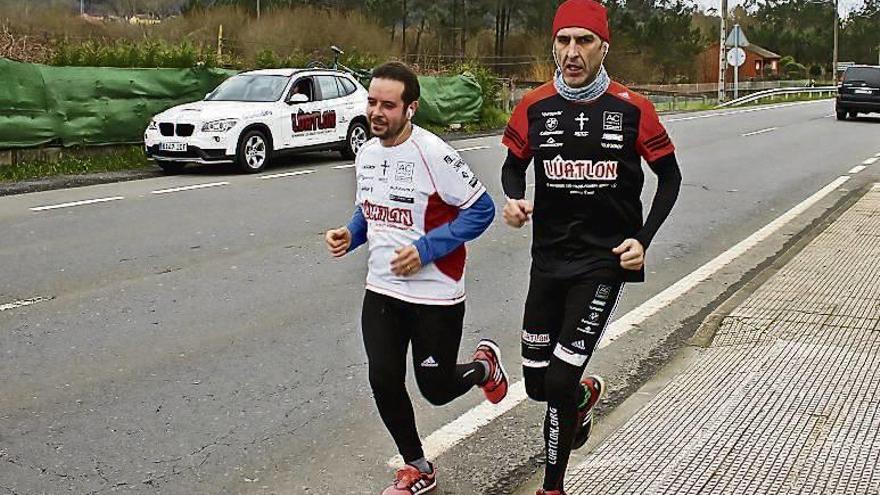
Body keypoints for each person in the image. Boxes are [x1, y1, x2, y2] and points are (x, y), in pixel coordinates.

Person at [500, 1, 682, 493]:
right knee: (538, 383)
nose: (572, 53)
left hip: (603, 263)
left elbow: (670, 177)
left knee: (556, 381)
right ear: (553, 45)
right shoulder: (535, 105)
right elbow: (515, 163)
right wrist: (514, 197)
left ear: (604, 47)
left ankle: (552, 486)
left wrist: (642, 241)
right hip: (548, 261)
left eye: (584, 41)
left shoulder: (633, 108)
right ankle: (580, 398)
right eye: (563, 41)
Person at [325, 61, 508, 495]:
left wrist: (426, 249)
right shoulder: (366, 153)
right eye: (372, 102)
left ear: (411, 108)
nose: (376, 112)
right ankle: (417, 466)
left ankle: (484, 368)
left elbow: (481, 211)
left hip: (436, 295)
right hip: (382, 291)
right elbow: (369, 212)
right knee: (383, 378)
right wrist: (349, 234)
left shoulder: (434, 154)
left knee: (437, 390)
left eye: (388, 105)